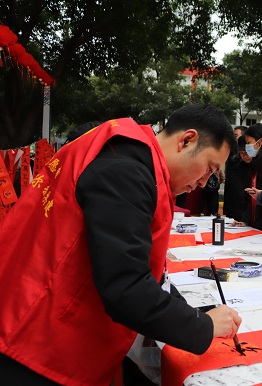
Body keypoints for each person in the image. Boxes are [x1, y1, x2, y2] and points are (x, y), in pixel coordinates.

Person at [0, 104, 242, 384]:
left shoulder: (128, 155)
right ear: (186, 140)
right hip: (34, 346)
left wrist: (193, 314)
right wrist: (203, 326)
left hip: (32, 324)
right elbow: (126, 287)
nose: (203, 183)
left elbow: (139, 268)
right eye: (209, 169)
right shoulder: (126, 172)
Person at [223, 126, 248, 221]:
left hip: (241, 202)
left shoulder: (246, 156)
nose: (233, 138)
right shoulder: (230, 153)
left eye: (236, 135)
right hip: (229, 199)